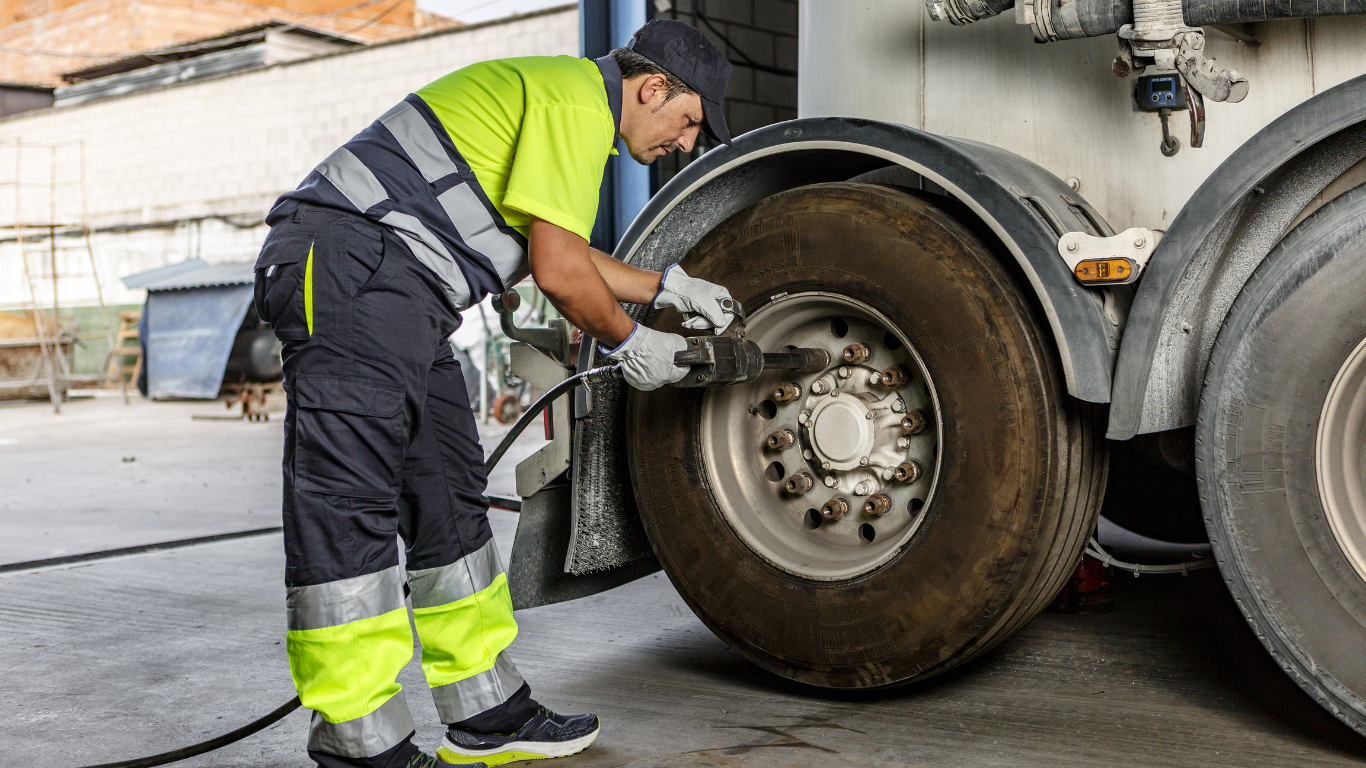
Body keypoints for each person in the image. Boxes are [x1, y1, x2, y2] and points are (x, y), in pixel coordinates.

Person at [252, 18, 736, 768]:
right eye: (688, 123)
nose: (684, 142)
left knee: (447, 489)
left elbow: (566, 250)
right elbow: (559, 273)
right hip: (347, 261)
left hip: (398, 287)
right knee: (351, 502)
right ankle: (357, 741)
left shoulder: (571, 105)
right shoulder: (576, 101)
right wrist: (634, 341)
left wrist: (670, 289)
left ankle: (487, 712)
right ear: (653, 87)